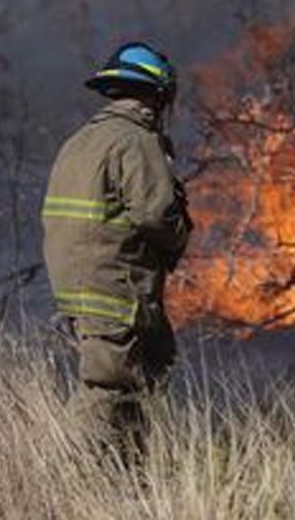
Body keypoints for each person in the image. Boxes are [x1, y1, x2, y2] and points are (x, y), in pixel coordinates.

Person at [41, 41, 192, 461]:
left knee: (147, 371)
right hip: (115, 288)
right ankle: (59, 482)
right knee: (107, 388)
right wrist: (180, 237)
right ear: (157, 94)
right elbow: (157, 216)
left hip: (78, 289)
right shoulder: (135, 141)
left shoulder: (80, 141)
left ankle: (127, 476)